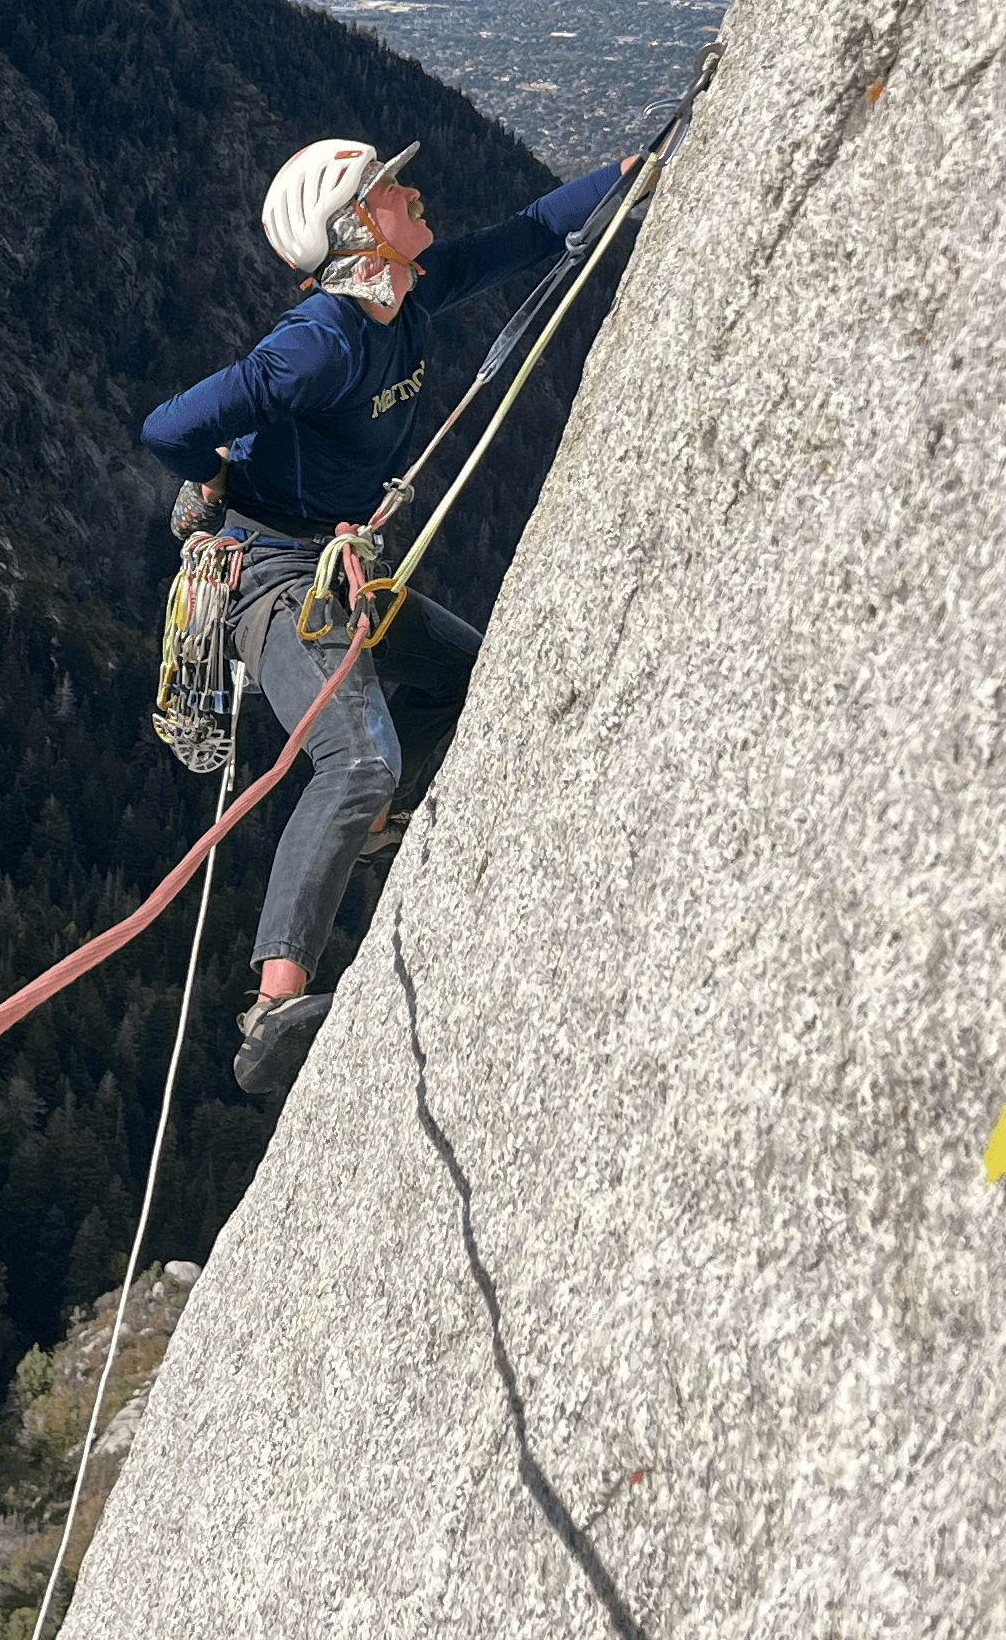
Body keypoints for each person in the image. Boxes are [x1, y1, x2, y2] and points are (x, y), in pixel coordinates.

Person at [140, 132, 635, 1101]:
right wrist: (212, 480)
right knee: (357, 755)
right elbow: (169, 427)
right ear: (356, 229)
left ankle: (372, 824)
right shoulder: (319, 343)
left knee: (461, 672)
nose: (411, 192)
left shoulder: (403, 299)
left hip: (329, 571)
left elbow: (532, 232)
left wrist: (633, 171)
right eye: (387, 189)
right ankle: (272, 1007)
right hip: (269, 576)